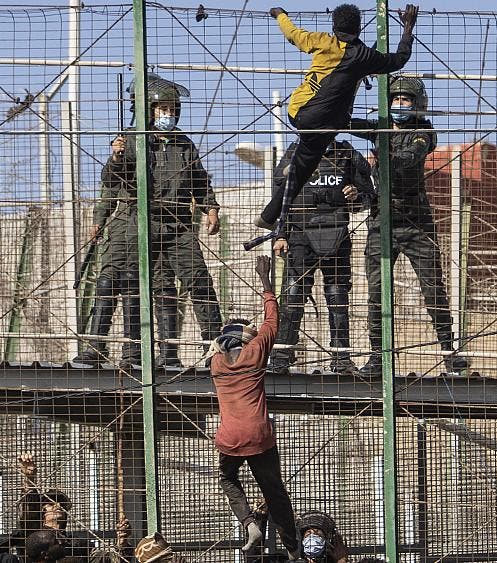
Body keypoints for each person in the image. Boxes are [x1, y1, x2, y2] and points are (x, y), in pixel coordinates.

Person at [76, 76, 222, 370]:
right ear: (149, 110)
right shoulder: (132, 140)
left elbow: (199, 181)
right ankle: (99, 349)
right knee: (119, 280)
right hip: (137, 221)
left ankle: (206, 350)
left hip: (177, 225)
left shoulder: (183, 144)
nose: (167, 114)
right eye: (161, 108)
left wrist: (211, 208)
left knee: (196, 281)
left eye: (171, 108)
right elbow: (111, 181)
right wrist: (116, 157)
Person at [246, 3, 419, 249]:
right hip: (329, 123)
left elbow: (293, 34)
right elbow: (399, 59)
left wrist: (279, 14)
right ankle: (276, 206)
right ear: (359, 28)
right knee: (308, 159)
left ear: (334, 26)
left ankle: (269, 215)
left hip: (298, 113)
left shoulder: (322, 41)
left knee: (305, 164)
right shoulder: (365, 56)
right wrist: (408, 29)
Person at [348, 75, 469, 377]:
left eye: (406, 101)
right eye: (395, 100)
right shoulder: (379, 128)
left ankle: (448, 351)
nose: (400, 105)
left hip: (416, 221)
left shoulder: (422, 132)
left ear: (417, 105)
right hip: (381, 219)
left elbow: (409, 158)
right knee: (377, 292)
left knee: (433, 289)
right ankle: (377, 357)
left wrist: (384, 154)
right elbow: (350, 124)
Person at [209, 255, 300, 560]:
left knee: (227, 478)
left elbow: (216, 346)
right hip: (259, 436)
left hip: (230, 438)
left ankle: (249, 523)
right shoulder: (256, 353)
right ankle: (292, 548)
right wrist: (265, 281)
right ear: (246, 339)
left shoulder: (217, 364)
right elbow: (272, 321)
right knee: (274, 491)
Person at [267, 140, 375, 376]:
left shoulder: (346, 153)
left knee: (337, 298)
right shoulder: (295, 153)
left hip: (336, 236)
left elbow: (369, 196)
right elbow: (279, 197)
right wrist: (281, 234)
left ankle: (341, 358)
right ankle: (281, 357)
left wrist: (355, 196)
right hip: (299, 237)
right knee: (293, 297)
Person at [0, 454, 131, 562]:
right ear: (42, 513)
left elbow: (108, 560)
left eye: (61, 505)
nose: (58, 506)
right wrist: (29, 479)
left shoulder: (76, 544)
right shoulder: (33, 534)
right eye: (51, 504)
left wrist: (122, 542)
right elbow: (29, 509)